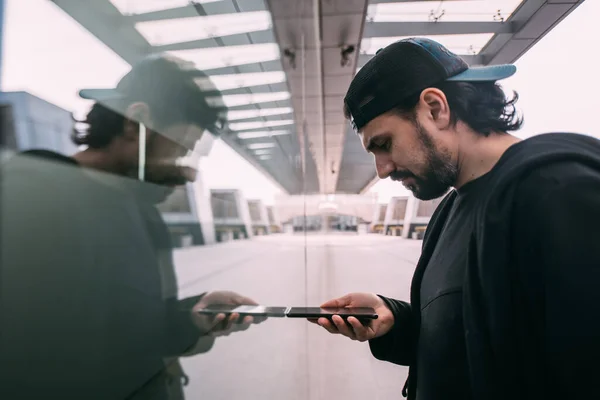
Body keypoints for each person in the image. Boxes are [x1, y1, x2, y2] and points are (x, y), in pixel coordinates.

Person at [311, 37, 600, 400]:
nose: (382, 170)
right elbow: (469, 345)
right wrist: (395, 320)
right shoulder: (449, 212)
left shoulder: (558, 191)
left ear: (435, 108)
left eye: (383, 144)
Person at [0, 55, 263, 399]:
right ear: (136, 121)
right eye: (181, 150)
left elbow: (131, 325)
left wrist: (192, 315)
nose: (190, 172)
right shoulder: (29, 195)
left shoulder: (140, 210)